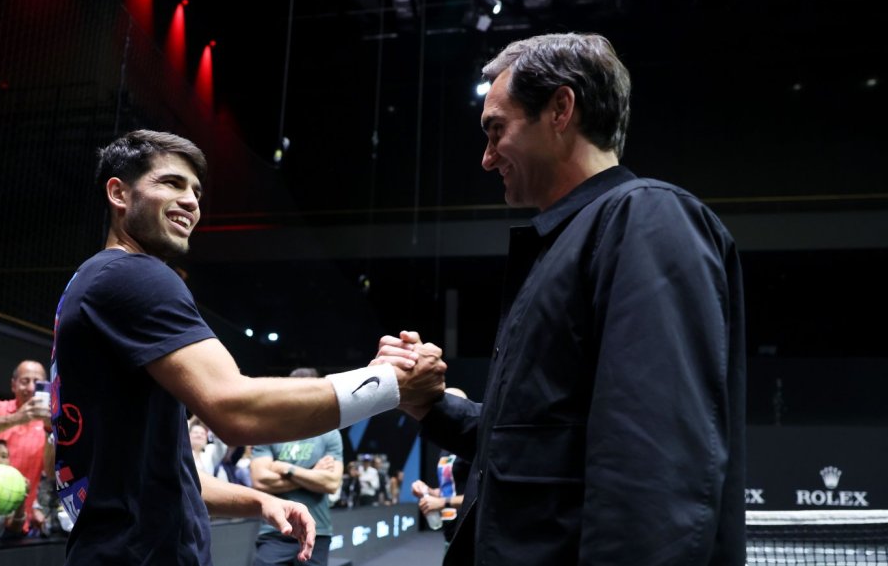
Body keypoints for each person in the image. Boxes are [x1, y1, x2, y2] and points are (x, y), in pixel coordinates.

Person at [377, 33, 746, 564]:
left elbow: (654, 468)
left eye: (495, 129)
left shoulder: (645, 219)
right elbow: (535, 440)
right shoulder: (576, 240)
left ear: (560, 109)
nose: (485, 158)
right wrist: (429, 406)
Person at [51, 130, 445, 566]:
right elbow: (236, 409)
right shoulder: (136, 275)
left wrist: (259, 503)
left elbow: (170, 474)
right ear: (118, 193)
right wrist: (391, 384)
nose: (190, 201)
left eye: (196, 191)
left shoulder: (91, 282)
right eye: (171, 183)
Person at [250, 368, 343, 566]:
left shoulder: (330, 434)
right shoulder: (268, 431)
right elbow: (259, 479)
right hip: (274, 530)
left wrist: (285, 468)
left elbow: (332, 482)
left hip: (317, 530)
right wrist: (312, 476)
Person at [0, 360, 52, 529]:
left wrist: (51, 430)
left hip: (19, 518)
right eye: (24, 381)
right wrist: (17, 418)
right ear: (13, 385)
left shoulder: (50, 423)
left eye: (37, 382)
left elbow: (51, 472)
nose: (30, 388)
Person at [410, 388, 470, 545]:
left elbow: (480, 494)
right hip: (449, 534)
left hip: (469, 535)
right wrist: (429, 492)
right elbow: (450, 489)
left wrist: (442, 503)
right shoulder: (445, 448)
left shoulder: (472, 446)